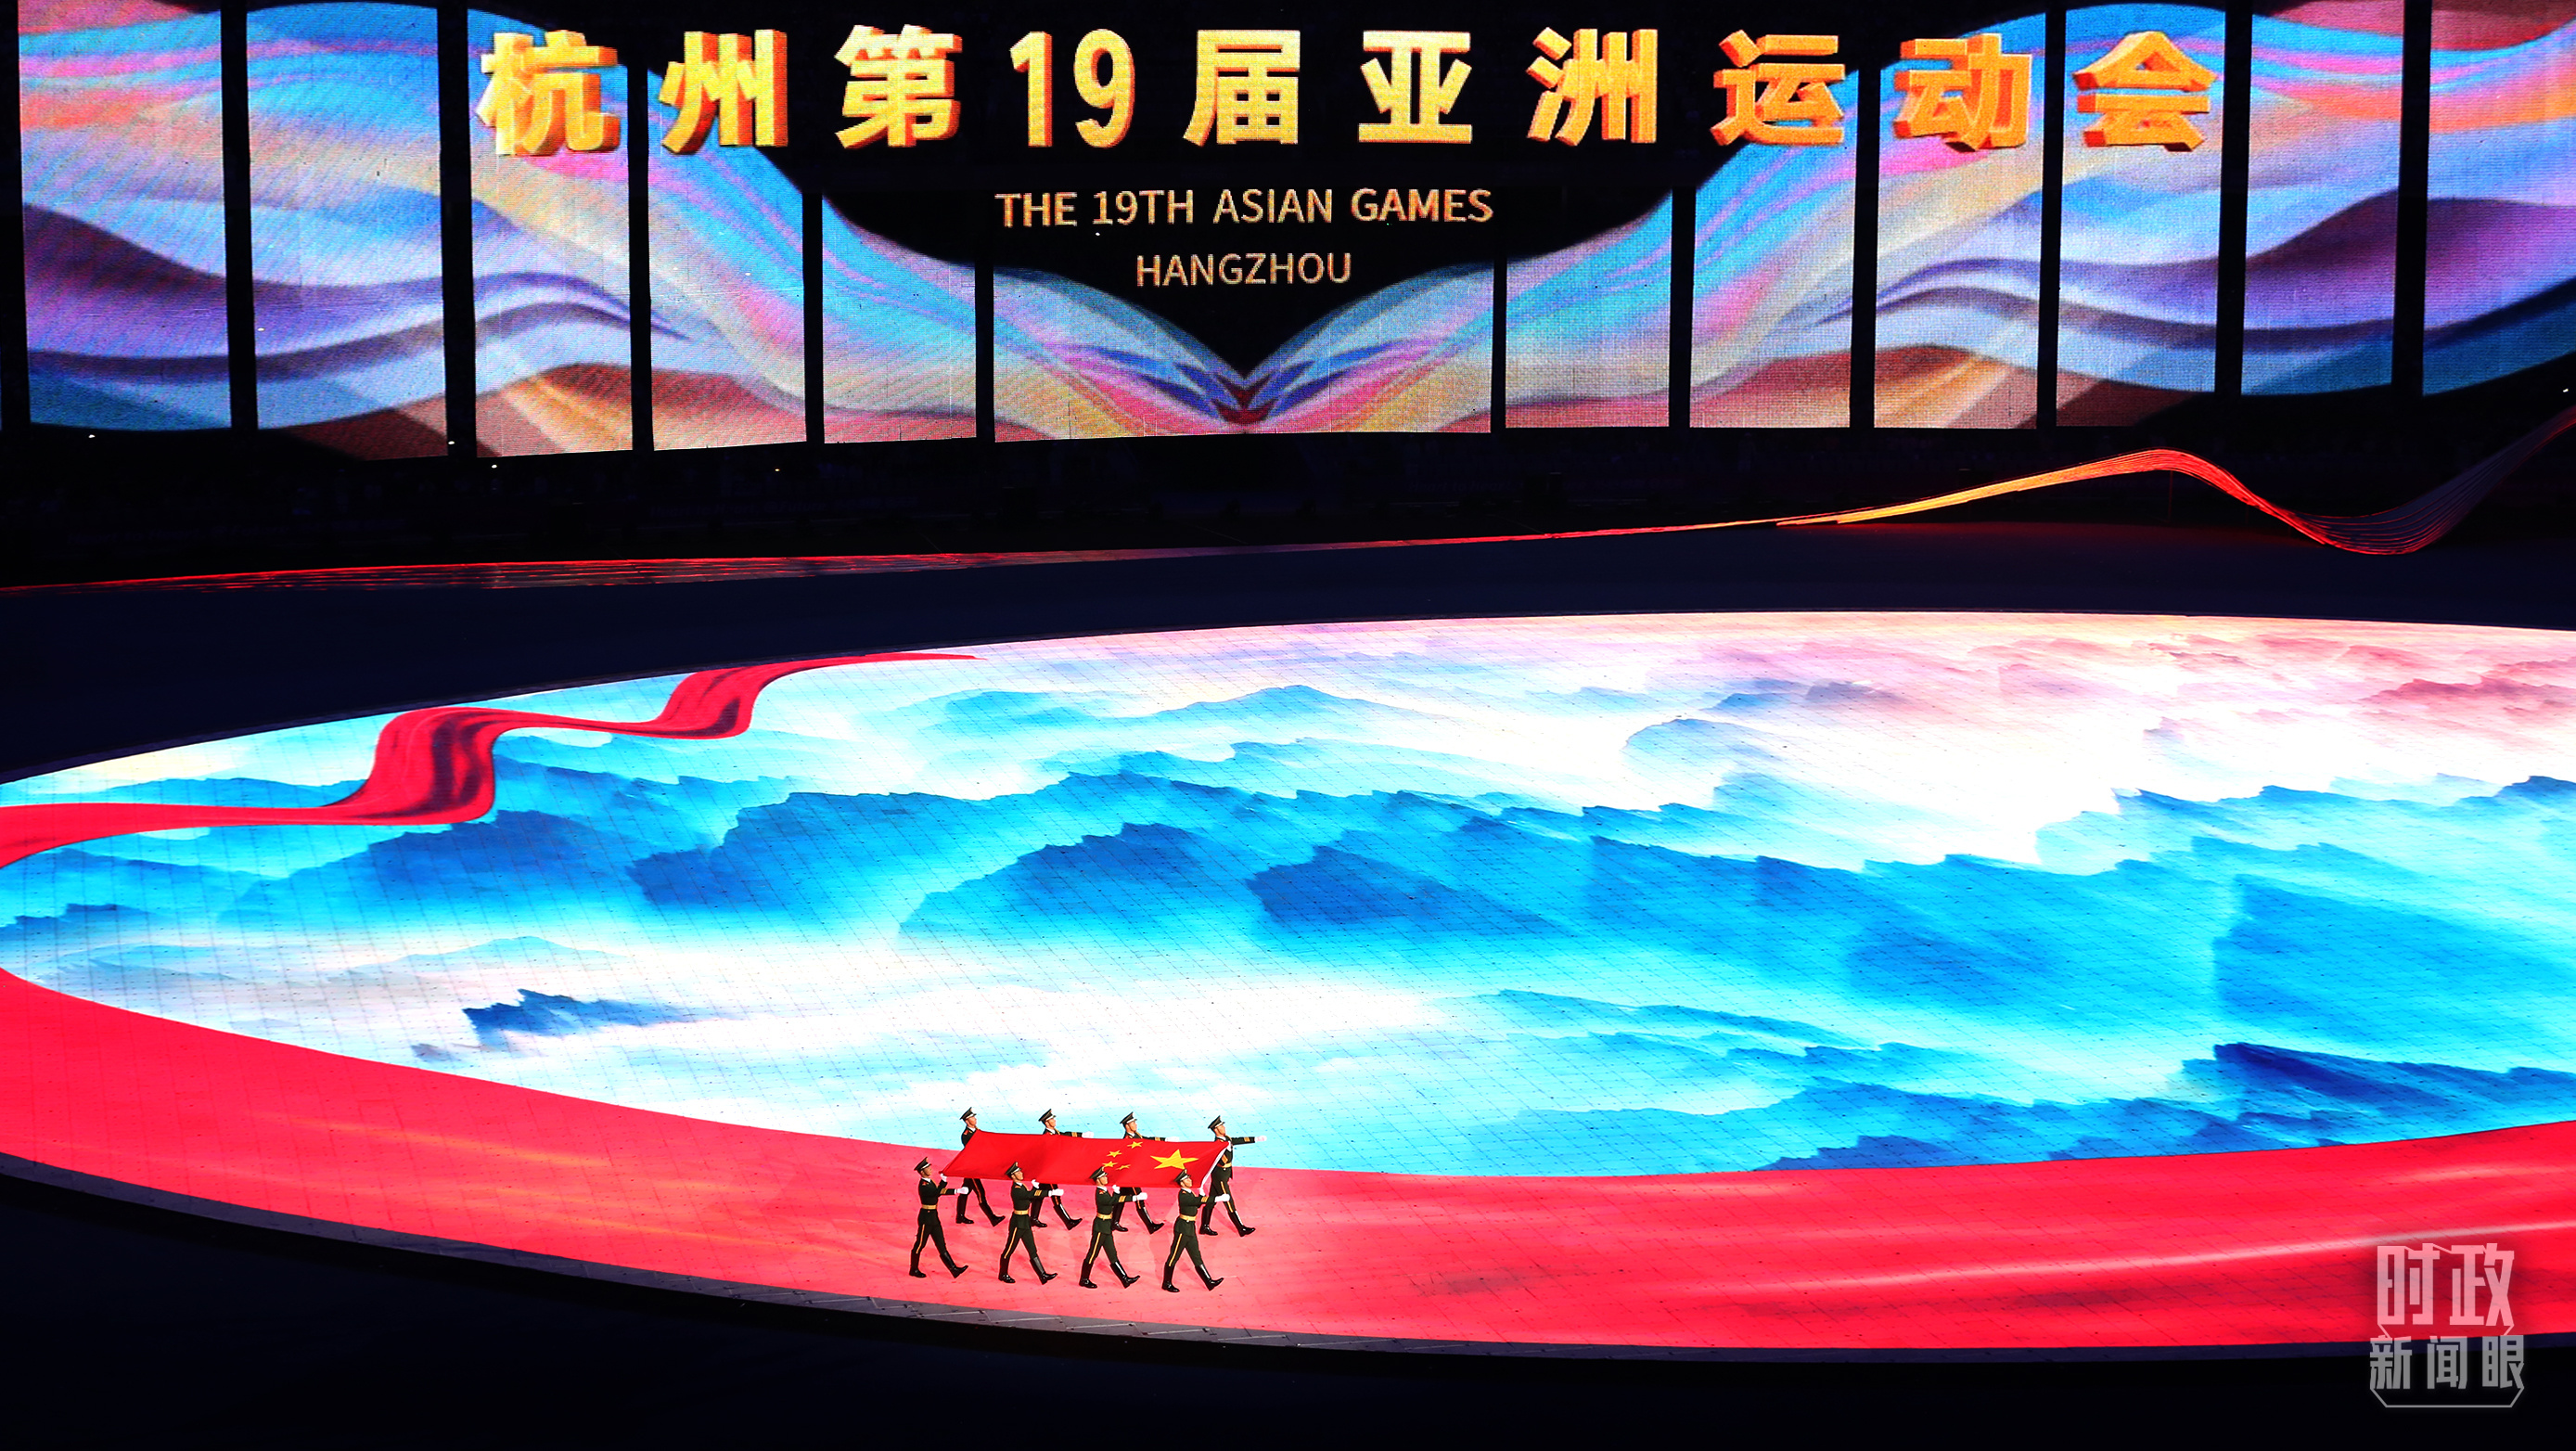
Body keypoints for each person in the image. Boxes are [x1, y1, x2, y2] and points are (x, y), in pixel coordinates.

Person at [1076, 1168, 1142, 1289]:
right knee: (1092, 1254)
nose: (1106, 1178)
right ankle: (1084, 1279)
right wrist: (1134, 1198)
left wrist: (1116, 1193)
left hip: (1106, 1226)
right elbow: (1111, 1201)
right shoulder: (1100, 1193)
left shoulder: (1104, 1191)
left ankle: (1125, 1279)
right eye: (1104, 1177)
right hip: (1101, 1227)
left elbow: (1112, 1200)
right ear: (1098, 1180)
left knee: (1112, 1254)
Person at [1198, 1116, 1262, 1237]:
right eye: (1221, 1126)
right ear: (1216, 1130)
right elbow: (1220, 1161)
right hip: (1220, 1176)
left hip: (1223, 1174)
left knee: (1211, 1201)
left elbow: (1237, 1140)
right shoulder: (1217, 1144)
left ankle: (1204, 1226)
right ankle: (1241, 1228)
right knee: (1229, 1202)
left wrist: (1255, 1139)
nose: (1224, 1127)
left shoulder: (1226, 1139)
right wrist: (1225, 1150)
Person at [1161, 1170, 1224, 1293]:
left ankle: (1208, 1281)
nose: (1190, 1181)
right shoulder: (1183, 1195)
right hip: (1183, 1228)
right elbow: (1195, 1202)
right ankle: (1167, 1283)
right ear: (1181, 1183)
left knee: (1196, 1255)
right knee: (1174, 1256)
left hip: (1190, 1228)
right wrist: (1217, 1198)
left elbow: (1196, 1205)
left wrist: (1201, 1195)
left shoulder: (1189, 1193)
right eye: (1187, 1179)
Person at [908, 1158, 971, 1279]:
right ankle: (914, 1269)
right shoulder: (924, 1185)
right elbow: (937, 1193)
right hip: (926, 1218)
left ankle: (953, 1269)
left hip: (933, 1217)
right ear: (922, 1172)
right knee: (920, 1244)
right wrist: (957, 1190)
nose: (930, 1169)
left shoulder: (930, 1182)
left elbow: (937, 1191)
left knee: (941, 1244)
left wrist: (943, 1181)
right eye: (927, 1168)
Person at [996, 1163, 1057, 1285]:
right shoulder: (1016, 1189)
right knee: (1009, 1250)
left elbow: (1029, 1198)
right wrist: (1050, 1193)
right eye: (1018, 1172)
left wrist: (1035, 1188)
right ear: (1013, 1176)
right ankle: (1003, 1274)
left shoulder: (1021, 1186)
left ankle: (1042, 1275)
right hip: (1018, 1224)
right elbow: (1029, 1195)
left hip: (1025, 1222)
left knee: (1032, 1249)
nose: (1021, 1173)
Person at [1032, 1110, 1083, 1228]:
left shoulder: (1055, 1132)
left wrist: (1081, 1135)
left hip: (1050, 1170)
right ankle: (1068, 1222)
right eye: (1052, 1119)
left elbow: (1064, 1135)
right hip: (1048, 1171)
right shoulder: (1047, 1136)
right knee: (1055, 1195)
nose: (1054, 1121)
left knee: (1039, 1195)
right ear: (1046, 1122)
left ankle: (1033, 1218)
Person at [954, 1109, 1003, 1226]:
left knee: (965, 1191)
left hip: (974, 1167)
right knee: (980, 1193)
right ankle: (992, 1218)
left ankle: (960, 1216)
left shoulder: (977, 1131)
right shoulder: (966, 1135)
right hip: (971, 1169)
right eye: (972, 1117)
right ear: (967, 1121)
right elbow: (974, 1150)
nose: (975, 1119)